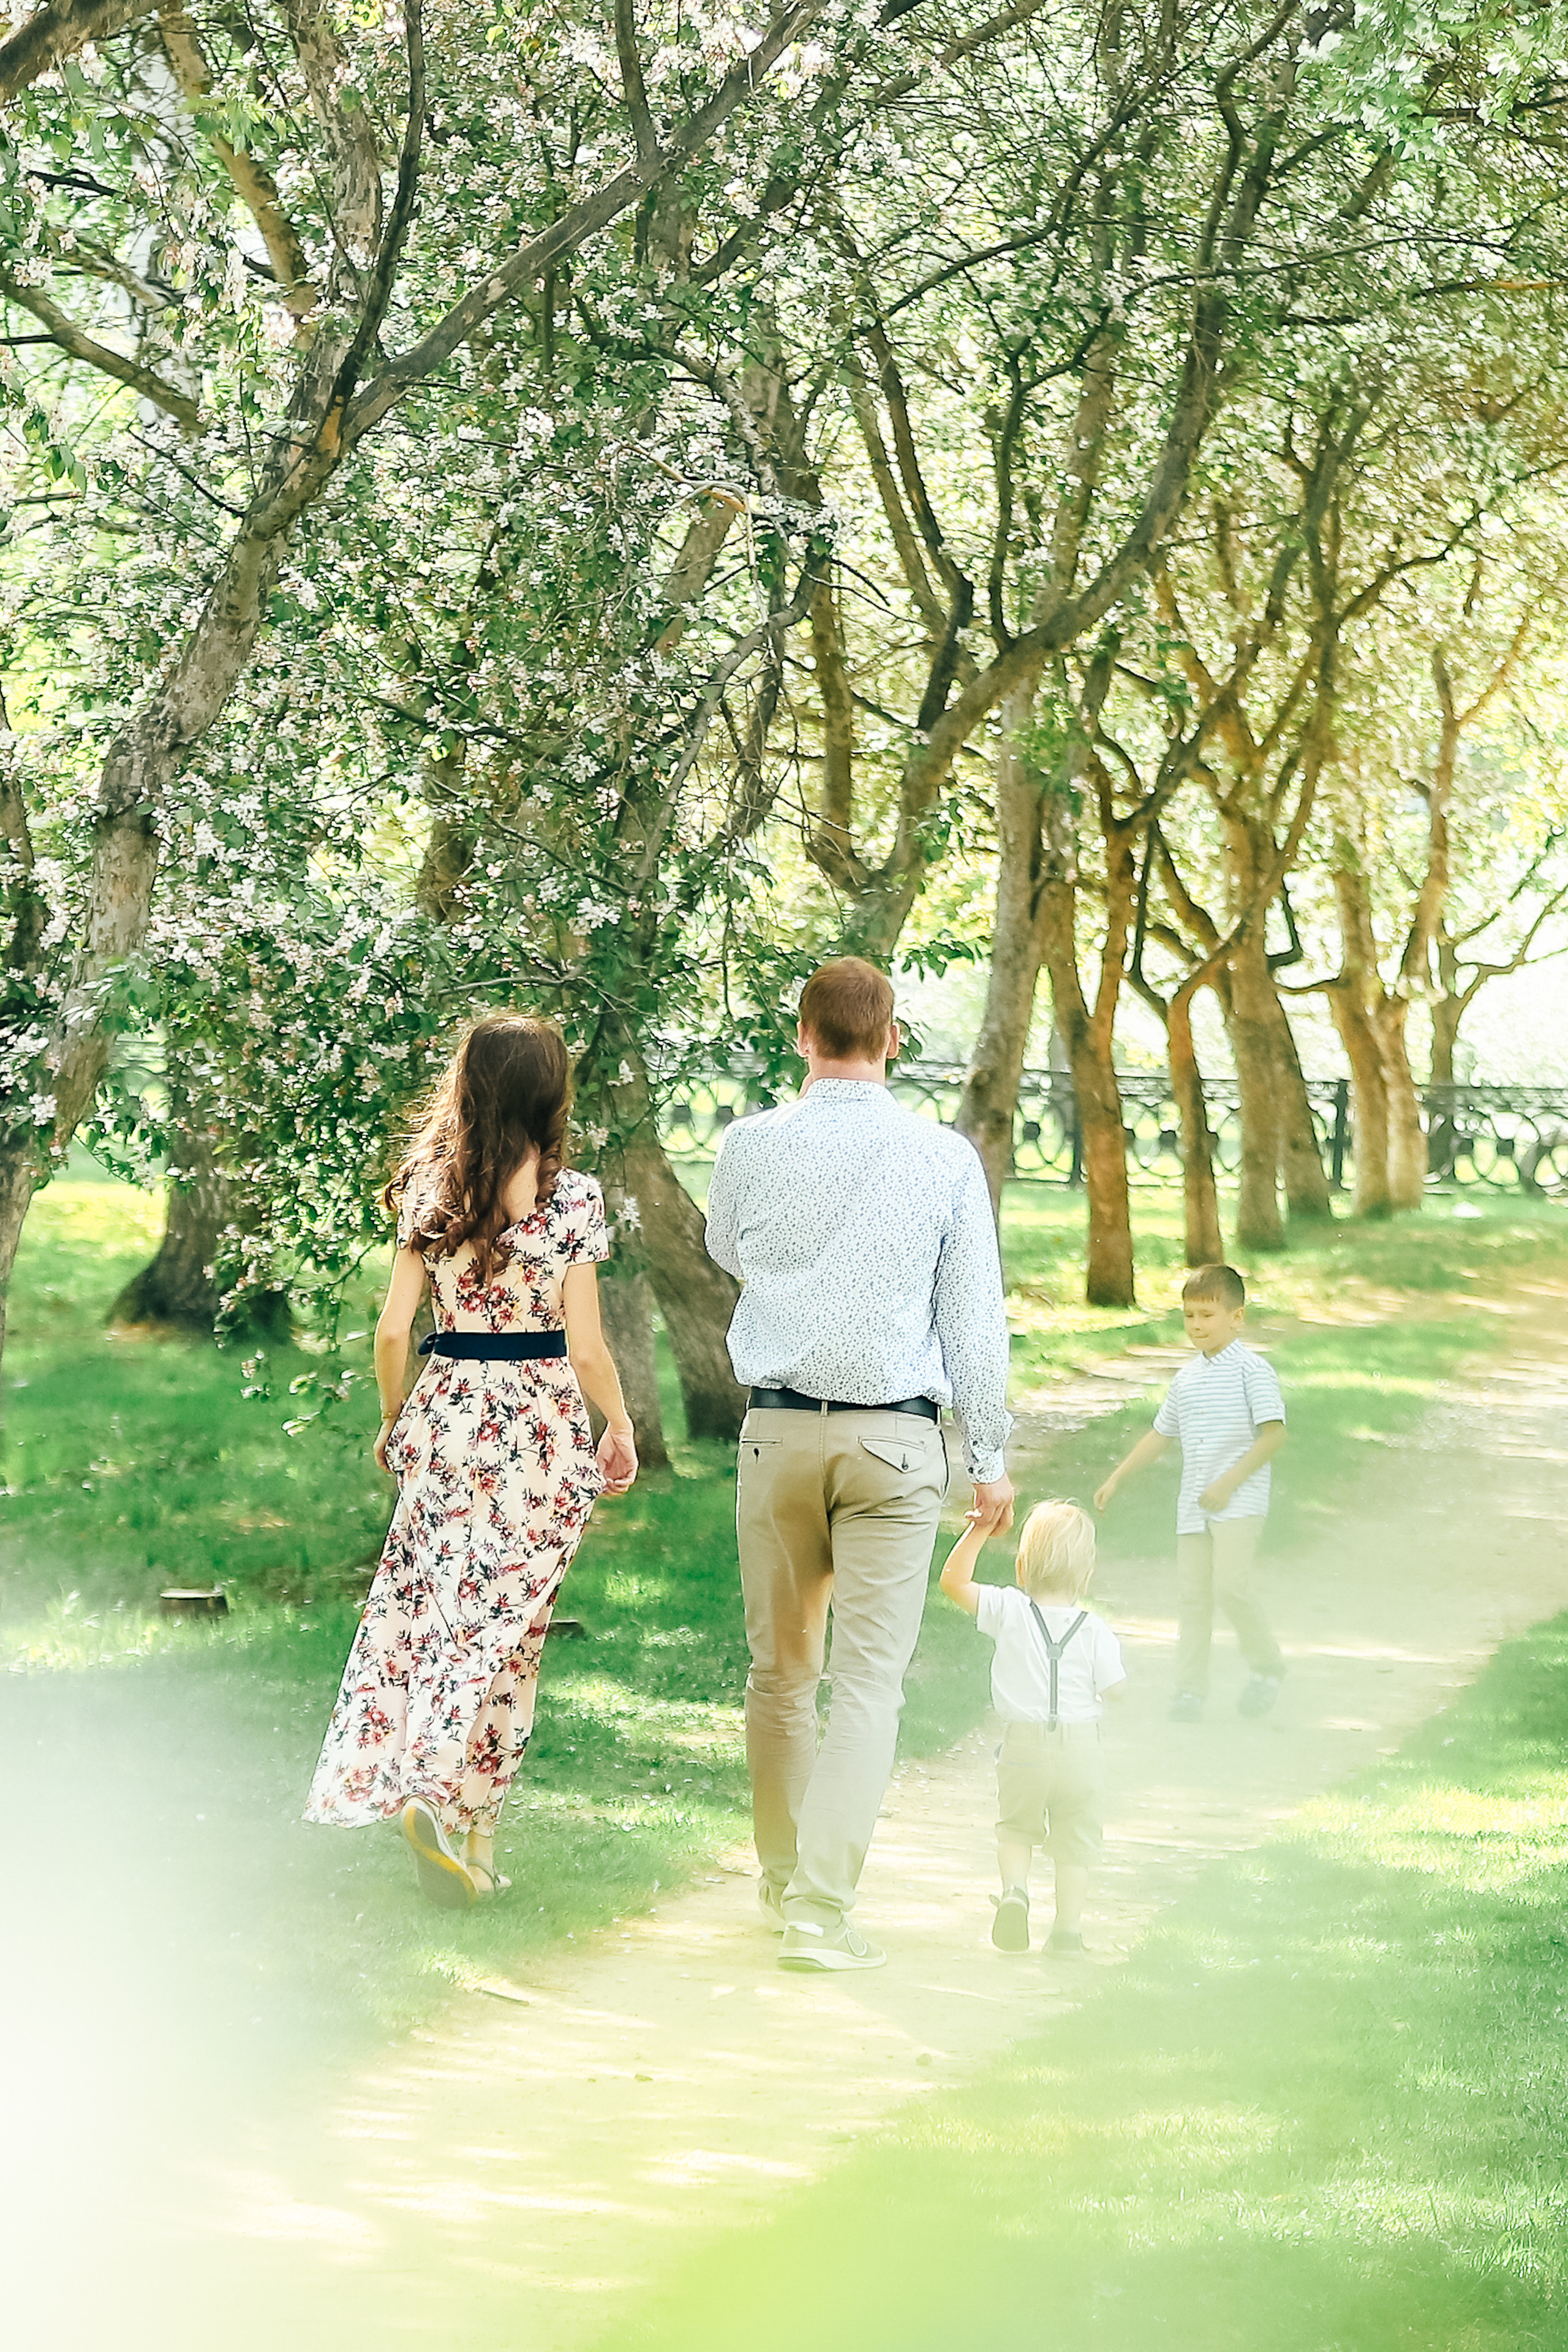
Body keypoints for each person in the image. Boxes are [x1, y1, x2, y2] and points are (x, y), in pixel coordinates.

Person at [704, 957, 1014, 1973]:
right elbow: (972, 1319)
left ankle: (779, 1882)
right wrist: (993, 1454)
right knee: (867, 1684)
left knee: (778, 1675)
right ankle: (819, 1914)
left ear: (802, 1036)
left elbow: (725, 1248)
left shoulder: (748, 1144)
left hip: (779, 1432)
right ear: (891, 1041)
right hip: (894, 1441)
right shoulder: (942, 1159)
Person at [304, 1014, 637, 1907]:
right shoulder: (574, 1199)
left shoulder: (428, 1190)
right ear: (548, 1092)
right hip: (539, 1425)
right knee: (512, 1630)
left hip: (447, 1412)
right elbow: (587, 1345)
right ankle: (471, 1827)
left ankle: (436, 1802)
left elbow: (390, 1330)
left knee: (436, 1614)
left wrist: (391, 1417)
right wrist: (620, 1426)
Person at [1095, 1262, 1286, 1723]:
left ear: (1236, 1318)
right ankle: (1189, 1691)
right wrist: (1118, 1476)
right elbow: (1162, 1434)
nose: (1197, 1326)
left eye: (1207, 1315)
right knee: (1193, 1597)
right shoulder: (1186, 1379)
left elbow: (1274, 1435)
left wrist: (1228, 1482)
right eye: (1189, 1316)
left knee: (1231, 1587)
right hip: (1193, 1508)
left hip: (1239, 1501)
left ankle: (1266, 1666)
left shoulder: (1252, 1372)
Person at [939, 1498, 1125, 1955]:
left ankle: (1015, 1893)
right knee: (1076, 1842)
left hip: (1023, 1745)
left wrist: (980, 1530)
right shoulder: (1095, 1629)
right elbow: (1116, 1689)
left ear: (1021, 1568)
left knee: (1017, 1829)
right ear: (1086, 1575)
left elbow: (953, 1582)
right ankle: (1067, 1932)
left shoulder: (1009, 1609)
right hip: (1082, 1749)